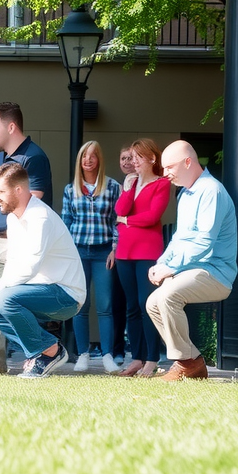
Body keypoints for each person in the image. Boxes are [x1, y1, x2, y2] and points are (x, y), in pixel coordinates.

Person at [0, 161, 86, 380]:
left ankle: (48, 353)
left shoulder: (41, 218)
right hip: (40, 290)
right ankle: (47, 350)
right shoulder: (13, 217)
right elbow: (14, 263)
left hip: (66, 295)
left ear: (18, 190)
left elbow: (28, 268)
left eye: (0, 191)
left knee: (5, 299)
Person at [145, 140, 237, 381]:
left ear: (188, 162)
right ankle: (190, 362)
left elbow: (203, 243)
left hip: (216, 273)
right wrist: (161, 263)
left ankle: (187, 364)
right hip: (195, 269)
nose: (165, 174)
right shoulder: (186, 193)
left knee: (166, 296)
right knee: (153, 303)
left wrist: (170, 268)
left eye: (170, 167)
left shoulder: (211, 191)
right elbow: (179, 238)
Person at [0, 101, 52, 373]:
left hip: (20, 244)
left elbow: (36, 198)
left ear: (11, 127)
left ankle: (38, 355)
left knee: (18, 303)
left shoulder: (34, 157)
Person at [60, 140, 123, 374]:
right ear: (80, 161)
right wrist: (65, 255)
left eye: (92, 156)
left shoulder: (113, 187)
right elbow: (66, 224)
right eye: (84, 156)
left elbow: (118, 221)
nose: (88, 160)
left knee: (105, 306)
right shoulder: (71, 189)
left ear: (99, 160)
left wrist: (115, 249)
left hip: (104, 252)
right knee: (80, 305)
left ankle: (107, 355)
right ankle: (83, 354)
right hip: (78, 253)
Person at [115, 138, 173, 377]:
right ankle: (136, 358)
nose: (134, 162)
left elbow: (152, 217)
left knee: (146, 305)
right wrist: (128, 190)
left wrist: (127, 222)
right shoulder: (131, 182)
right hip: (124, 252)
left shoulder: (162, 184)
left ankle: (152, 359)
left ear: (151, 158)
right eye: (132, 157)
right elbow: (119, 210)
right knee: (130, 307)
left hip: (148, 252)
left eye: (139, 157)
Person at [111, 144, 138, 361]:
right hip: (119, 250)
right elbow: (115, 220)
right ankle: (118, 350)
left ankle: (140, 351)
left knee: (136, 303)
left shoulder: (144, 184)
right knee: (118, 302)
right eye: (123, 159)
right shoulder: (116, 187)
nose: (127, 163)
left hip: (138, 249)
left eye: (130, 158)